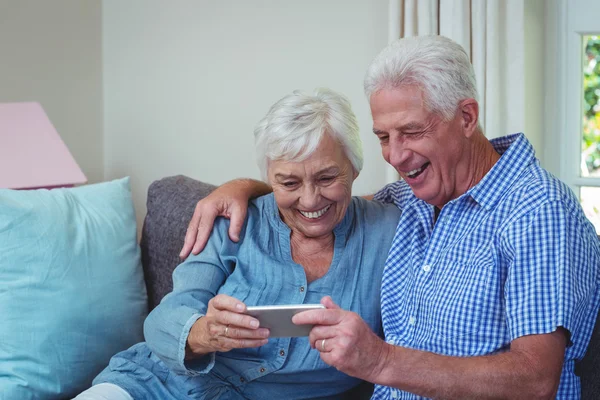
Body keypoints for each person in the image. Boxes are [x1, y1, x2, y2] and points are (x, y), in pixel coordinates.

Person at [179, 35, 600, 399]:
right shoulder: (413, 196)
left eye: (412, 132)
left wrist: (380, 362)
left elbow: (535, 380)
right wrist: (242, 186)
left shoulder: (538, 211)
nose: (396, 156)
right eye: (383, 136)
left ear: (467, 117)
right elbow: (321, 196)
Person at [74, 88, 400, 400]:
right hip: (155, 385)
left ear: (355, 167)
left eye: (327, 178)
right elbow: (165, 317)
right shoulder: (235, 221)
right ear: (270, 179)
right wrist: (203, 332)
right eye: (289, 182)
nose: (310, 199)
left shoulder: (390, 232)